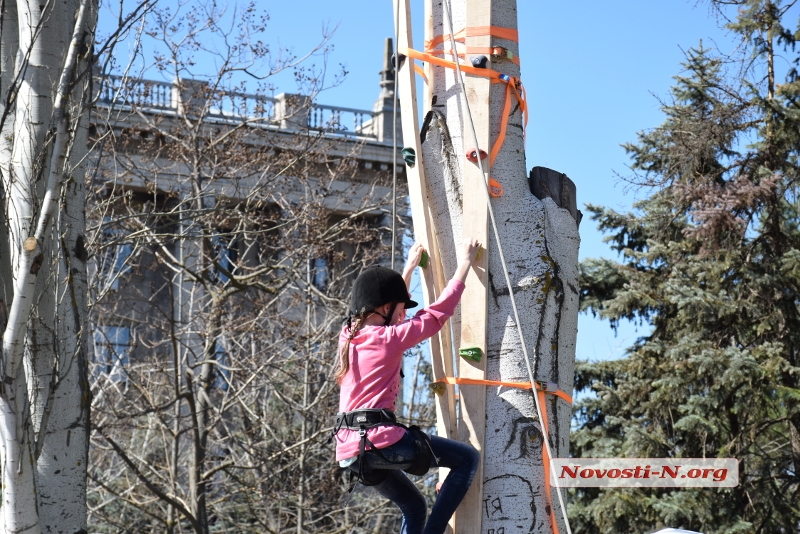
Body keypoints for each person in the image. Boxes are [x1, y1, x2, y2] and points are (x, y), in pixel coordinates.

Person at [332, 239, 482, 534]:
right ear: (387, 307)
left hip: (349, 450)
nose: (404, 315)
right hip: (380, 441)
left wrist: (409, 268)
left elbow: (385, 304)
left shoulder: (348, 336)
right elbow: (437, 315)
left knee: (414, 507)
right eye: (401, 308)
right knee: (467, 458)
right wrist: (464, 264)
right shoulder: (389, 338)